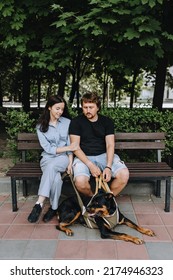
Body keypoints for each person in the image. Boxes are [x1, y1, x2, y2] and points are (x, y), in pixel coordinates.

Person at [28, 95, 78, 223]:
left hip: (63, 158)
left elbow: (71, 146)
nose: (60, 112)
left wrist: (70, 162)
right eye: (57, 108)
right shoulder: (40, 126)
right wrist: (67, 147)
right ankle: (54, 208)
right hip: (47, 158)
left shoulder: (67, 123)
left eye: (62, 109)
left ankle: (39, 203)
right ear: (49, 107)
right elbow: (48, 149)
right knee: (56, 180)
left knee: (51, 168)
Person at [69, 92, 129, 197]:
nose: (87, 110)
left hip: (104, 155)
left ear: (98, 107)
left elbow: (110, 145)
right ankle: (94, 201)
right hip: (83, 157)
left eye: (91, 107)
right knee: (80, 182)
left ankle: (106, 200)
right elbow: (75, 148)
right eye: (85, 107)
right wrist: (90, 165)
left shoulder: (107, 122)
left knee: (124, 175)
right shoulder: (76, 122)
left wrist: (108, 167)